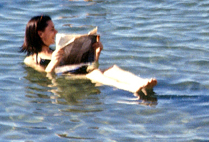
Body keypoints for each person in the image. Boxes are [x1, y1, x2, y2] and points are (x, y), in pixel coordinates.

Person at [21, 15, 157, 96]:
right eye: (52, 29)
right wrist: (53, 63)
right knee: (96, 74)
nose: (56, 32)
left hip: (85, 73)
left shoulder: (56, 50)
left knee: (112, 69)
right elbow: (47, 78)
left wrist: (96, 55)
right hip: (70, 82)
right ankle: (132, 89)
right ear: (40, 34)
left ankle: (140, 83)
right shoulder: (32, 59)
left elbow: (90, 67)